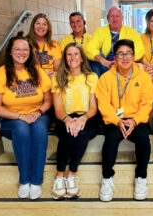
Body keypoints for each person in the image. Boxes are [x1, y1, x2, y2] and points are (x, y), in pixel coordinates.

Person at [0, 32, 52, 200]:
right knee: (22, 129)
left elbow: (48, 99)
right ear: (10, 51)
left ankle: (36, 181)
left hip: (37, 114)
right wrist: (19, 116)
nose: (22, 52)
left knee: (39, 127)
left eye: (25, 49)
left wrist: (38, 112)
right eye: (18, 49)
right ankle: (24, 180)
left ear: (30, 52)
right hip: (11, 119)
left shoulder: (37, 71)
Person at [96, 39, 153, 201]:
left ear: (134, 56)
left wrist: (135, 120)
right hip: (115, 120)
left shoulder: (143, 77)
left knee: (143, 139)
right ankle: (107, 178)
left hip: (136, 119)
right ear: (114, 57)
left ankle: (141, 178)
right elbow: (104, 104)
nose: (125, 57)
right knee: (111, 140)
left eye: (128, 53)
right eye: (120, 54)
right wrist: (117, 121)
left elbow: (147, 103)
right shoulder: (106, 78)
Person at [51, 43, 100, 200]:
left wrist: (83, 118)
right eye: (69, 54)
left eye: (76, 54)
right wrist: (67, 119)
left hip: (88, 117)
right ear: (65, 58)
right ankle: (59, 177)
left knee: (80, 132)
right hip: (64, 117)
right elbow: (58, 109)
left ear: (81, 58)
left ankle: (71, 174)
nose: (72, 57)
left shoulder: (91, 77)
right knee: (68, 133)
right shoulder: (58, 78)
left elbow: (93, 107)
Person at [85, 6, 145, 77]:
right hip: (106, 65)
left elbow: (140, 50)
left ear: (122, 18)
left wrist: (123, 59)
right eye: (112, 16)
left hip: (124, 63)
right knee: (95, 59)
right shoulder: (100, 31)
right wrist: (102, 60)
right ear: (107, 18)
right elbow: (89, 48)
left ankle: (112, 79)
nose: (115, 19)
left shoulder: (132, 32)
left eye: (117, 16)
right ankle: (106, 81)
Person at [28, 13, 62, 78]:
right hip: (32, 79)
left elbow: (57, 69)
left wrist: (55, 73)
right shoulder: (25, 43)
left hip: (49, 78)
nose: (41, 27)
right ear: (33, 26)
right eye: (38, 23)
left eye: (44, 24)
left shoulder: (54, 45)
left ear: (48, 28)